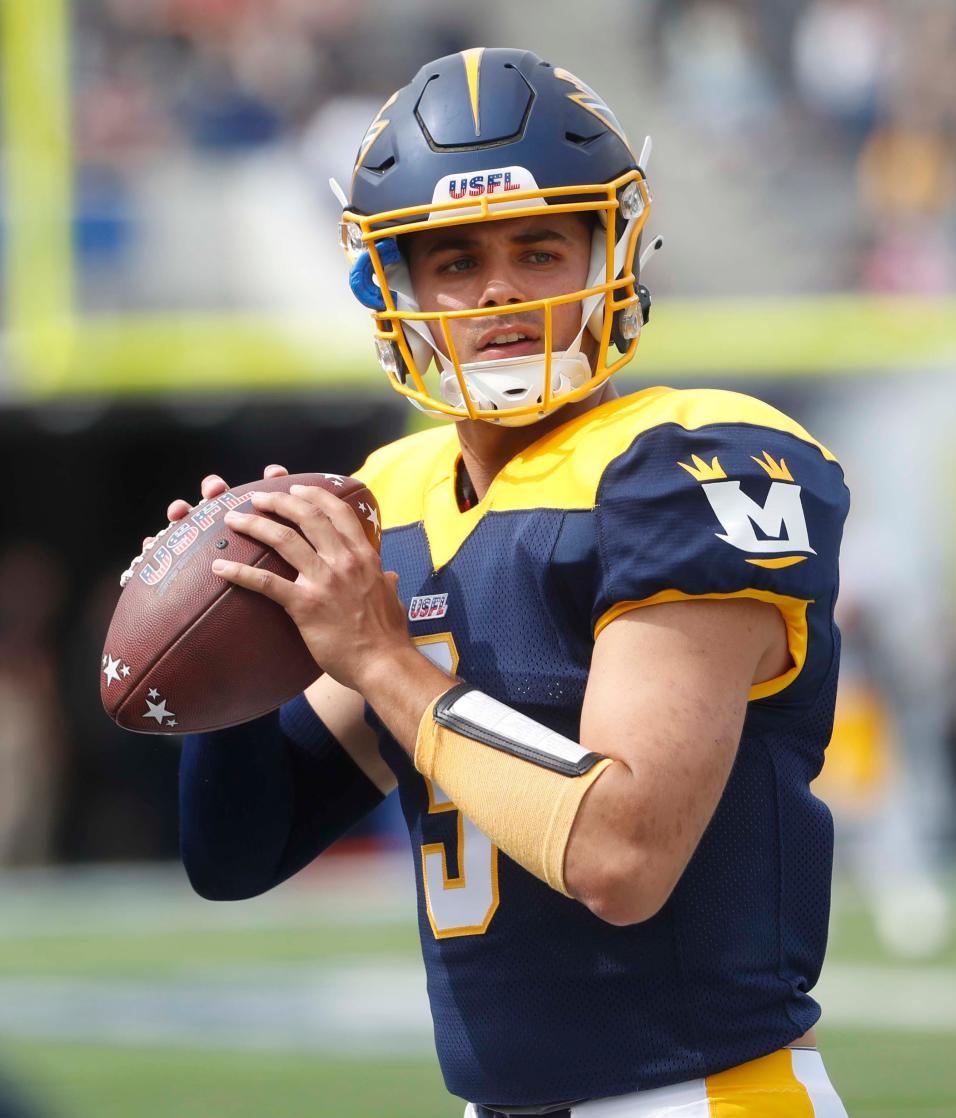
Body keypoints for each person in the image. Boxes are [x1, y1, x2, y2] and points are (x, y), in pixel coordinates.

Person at [169, 48, 850, 1117]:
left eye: (538, 248)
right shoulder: (390, 495)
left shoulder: (691, 460)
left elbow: (623, 855)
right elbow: (237, 852)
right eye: (452, 262)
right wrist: (227, 652)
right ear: (390, 287)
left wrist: (384, 660)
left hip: (701, 1096)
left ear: (612, 250)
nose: (495, 289)